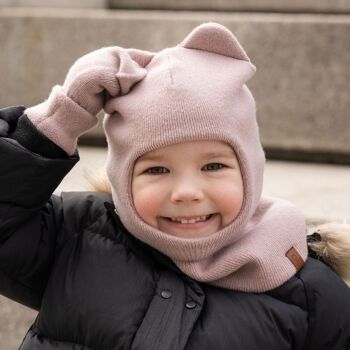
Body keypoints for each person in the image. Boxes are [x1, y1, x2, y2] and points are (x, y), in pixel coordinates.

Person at [0, 22, 349, 350]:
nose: (186, 191)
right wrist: (59, 119)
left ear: (250, 171)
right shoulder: (79, 235)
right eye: (157, 169)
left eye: (213, 166)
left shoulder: (308, 293)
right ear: (123, 177)